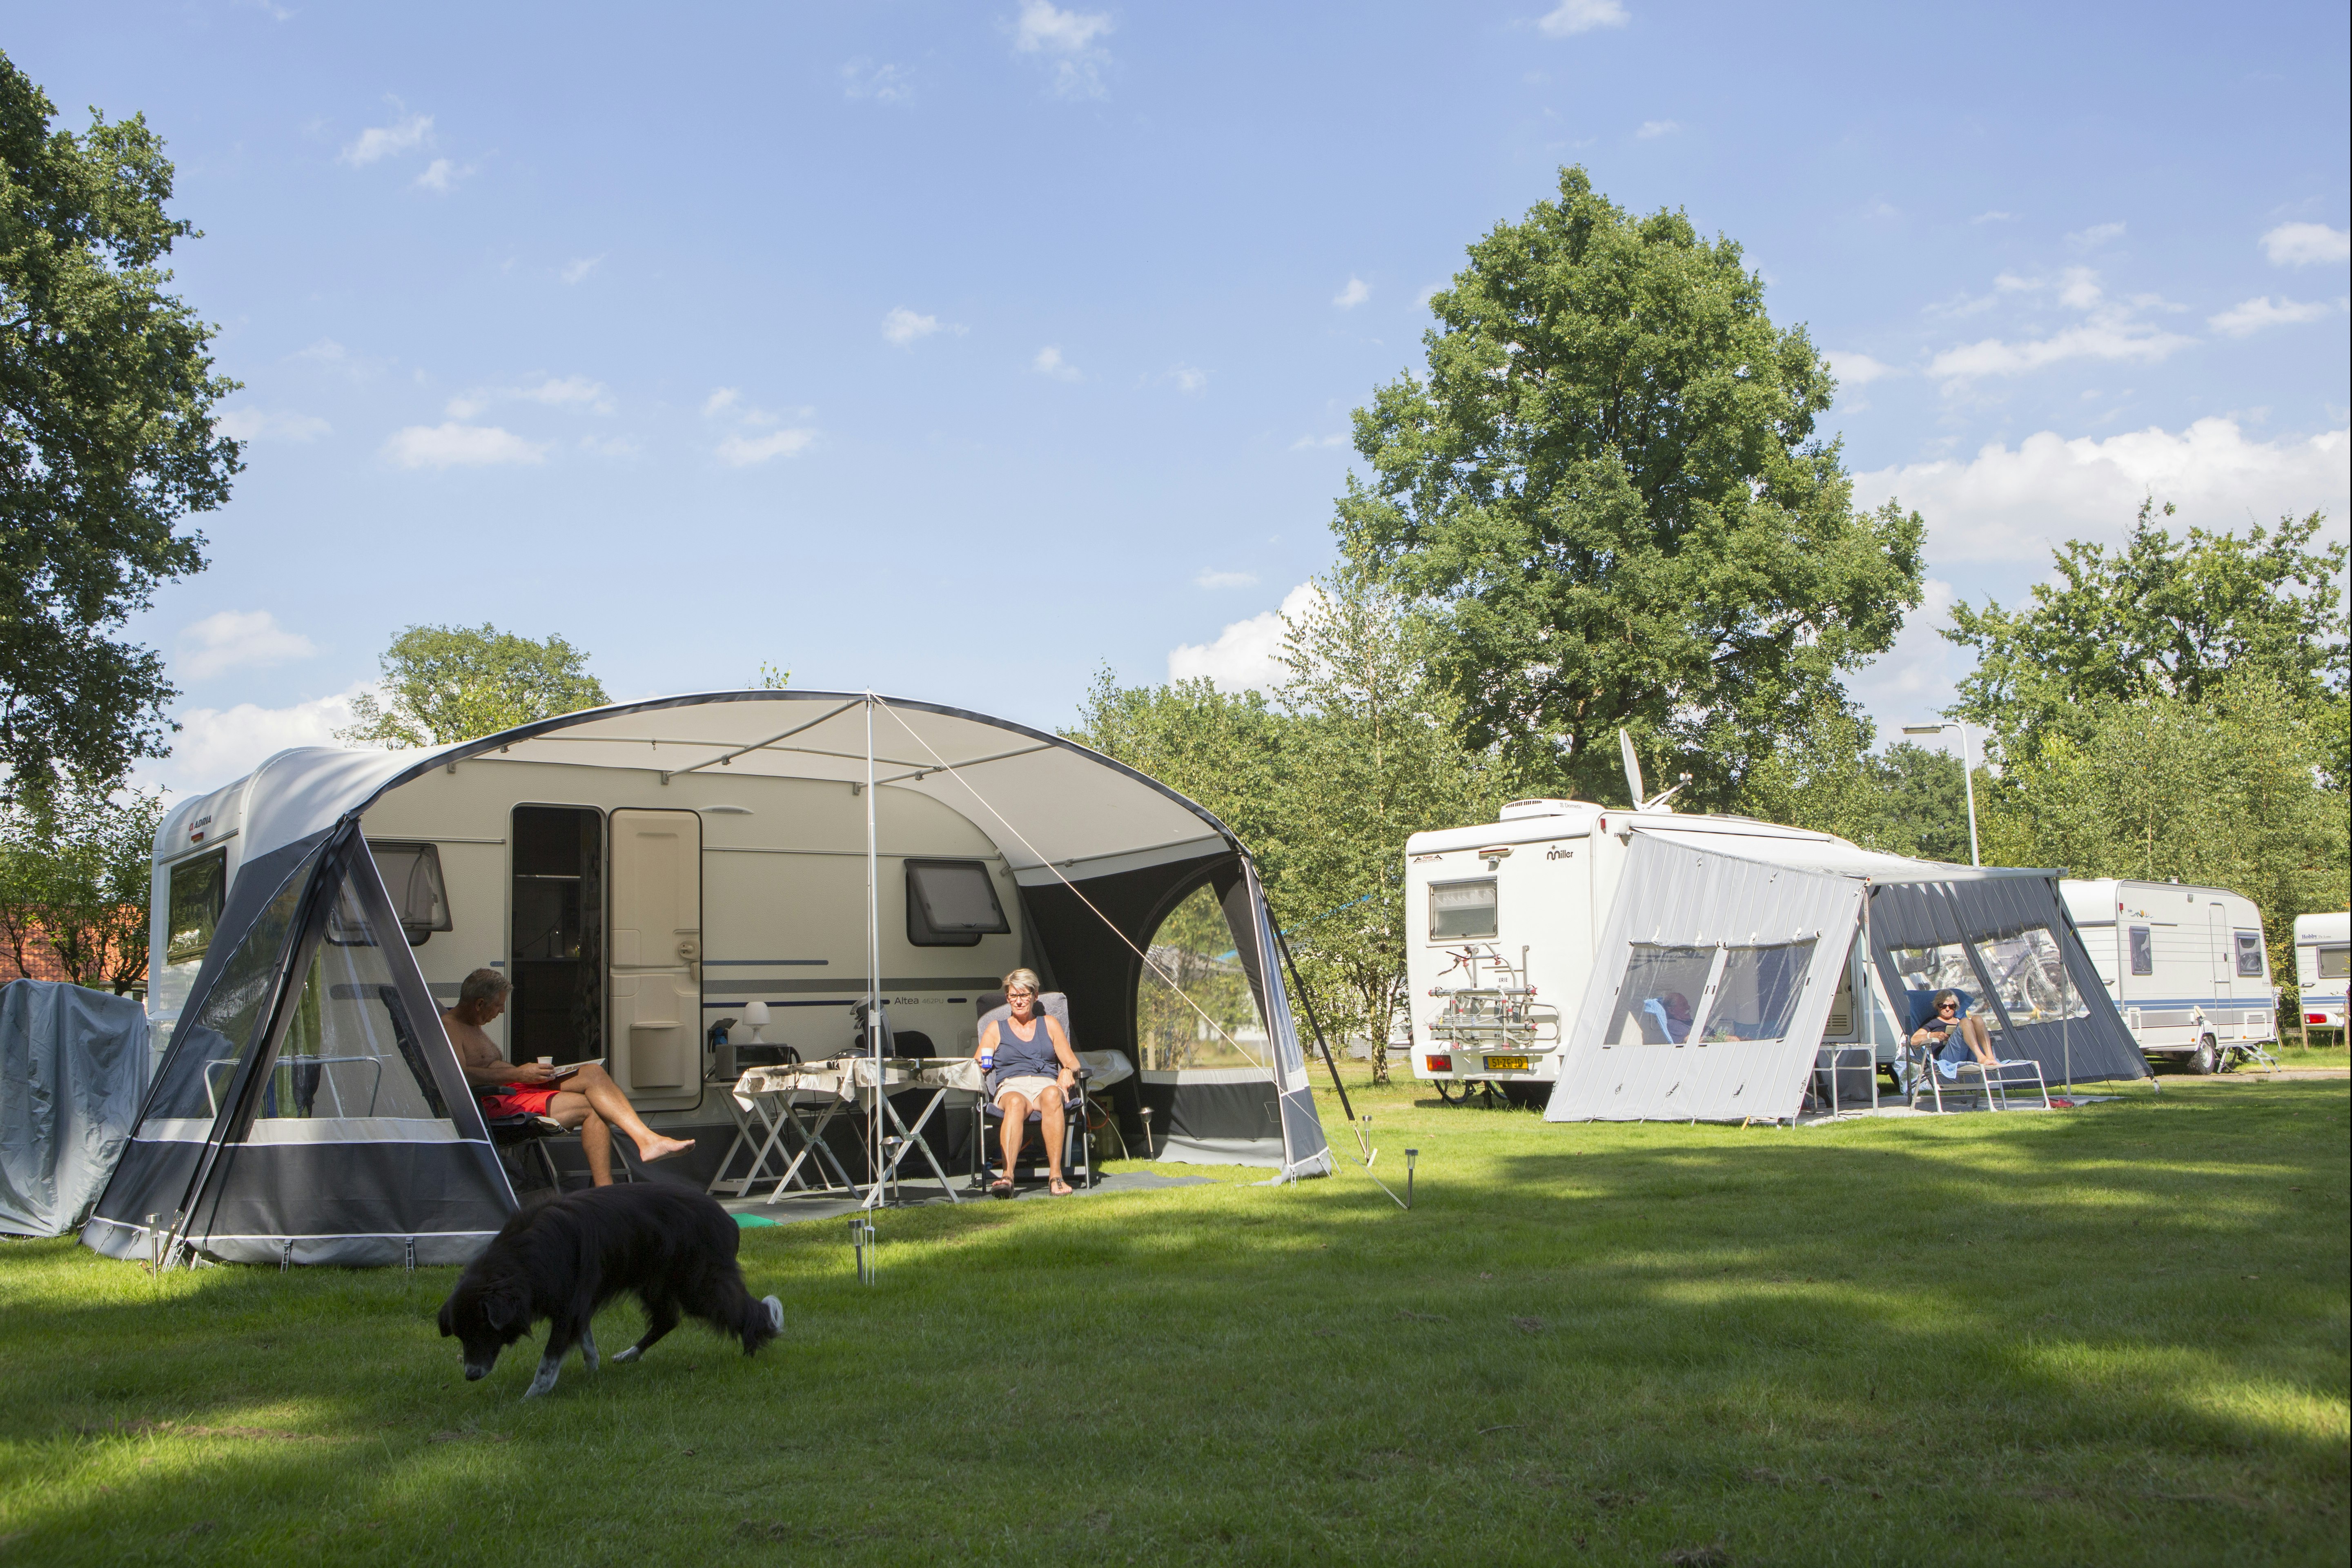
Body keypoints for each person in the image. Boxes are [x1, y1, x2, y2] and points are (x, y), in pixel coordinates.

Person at [443, 968, 694, 1185]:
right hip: (494, 1102)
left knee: (593, 1073)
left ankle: (647, 1140)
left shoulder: (473, 1025)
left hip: (513, 1087)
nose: (502, 1012)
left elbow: (491, 1067)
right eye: (499, 1006)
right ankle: (605, 1190)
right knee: (592, 1108)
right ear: (479, 1004)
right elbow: (458, 1074)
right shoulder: (450, 1026)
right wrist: (519, 1073)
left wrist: (531, 1075)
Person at [974, 967, 1080, 1197]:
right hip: (1012, 1086)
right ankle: (1007, 1177)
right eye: (1014, 996)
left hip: (1046, 1085)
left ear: (1035, 996)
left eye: (1024, 995)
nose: (1019, 1001)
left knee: (1053, 1095)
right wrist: (982, 1065)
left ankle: (1055, 1176)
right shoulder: (995, 1028)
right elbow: (976, 1063)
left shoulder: (1049, 1024)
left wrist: (1067, 1071)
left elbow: (1072, 1061)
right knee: (1014, 1103)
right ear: (1007, 998)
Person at [1911, 989, 1998, 1072]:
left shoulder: (1960, 1021)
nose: (1948, 1009)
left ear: (1956, 1007)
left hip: (1970, 1055)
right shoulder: (1933, 1022)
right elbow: (1913, 1040)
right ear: (1937, 1006)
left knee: (1977, 1019)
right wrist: (1932, 1035)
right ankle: (1981, 1058)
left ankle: (1990, 1056)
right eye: (1943, 1006)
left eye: (1952, 1006)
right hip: (1947, 1057)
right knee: (1965, 1021)